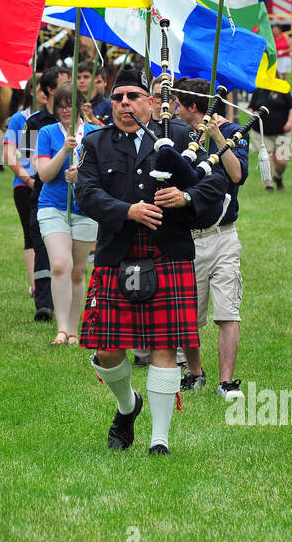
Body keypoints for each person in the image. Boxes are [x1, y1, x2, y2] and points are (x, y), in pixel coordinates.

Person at [75, 69, 230, 455]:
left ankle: (159, 439)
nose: (124, 103)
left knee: (164, 346)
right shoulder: (96, 143)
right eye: (117, 97)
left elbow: (216, 183)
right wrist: (127, 210)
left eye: (132, 96)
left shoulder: (179, 136)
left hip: (168, 253)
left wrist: (186, 198)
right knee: (107, 351)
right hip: (117, 254)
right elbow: (87, 194)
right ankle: (128, 406)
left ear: (150, 101)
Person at [175, 78, 247, 398]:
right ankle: (194, 372)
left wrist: (217, 136)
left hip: (223, 237)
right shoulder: (176, 135)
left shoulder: (233, 132)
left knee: (228, 311)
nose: (173, 110)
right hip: (187, 237)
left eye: (177, 104)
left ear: (192, 106)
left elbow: (236, 175)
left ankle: (226, 381)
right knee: (189, 315)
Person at [33, 84, 103, 346]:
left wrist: (80, 177)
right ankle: (61, 330)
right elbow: (44, 175)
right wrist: (63, 150)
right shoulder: (48, 133)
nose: (64, 109)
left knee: (78, 271)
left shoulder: (95, 133)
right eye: (59, 104)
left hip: (85, 210)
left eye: (69, 104)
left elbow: (103, 176)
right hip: (53, 207)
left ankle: (74, 330)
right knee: (61, 264)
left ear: (79, 106)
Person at [21, 67, 70, 320]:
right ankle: (44, 304)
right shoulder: (35, 123)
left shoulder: (81, 120)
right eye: (65, 82)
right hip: (43, 193)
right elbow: (28, 156)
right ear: (51, 89)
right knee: (41, 247)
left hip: (74, 196)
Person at [4, 78, 40, 296]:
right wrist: (27, 179)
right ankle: (36, 284)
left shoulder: (57, 118)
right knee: (30, 234)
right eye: (39, 87)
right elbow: (8, 153)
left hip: (52, 182)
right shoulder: (20, 118)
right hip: (25, 183)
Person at [249, 82, 292, 191]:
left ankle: (278, 177)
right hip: (261, 132)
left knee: (282, 162)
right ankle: (268, 185)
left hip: (282, 132)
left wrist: (290, 122)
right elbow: (251, 106)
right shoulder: (258, 90)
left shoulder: (283, 88)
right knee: (267, 157)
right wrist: (250, 114)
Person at [77, 60, 111, 126]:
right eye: (78, 78)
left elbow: (112, 134)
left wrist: (92, 118)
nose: (81, 81)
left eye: (86, 77)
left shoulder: (108, 105)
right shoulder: (73, 103)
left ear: (96, 78)